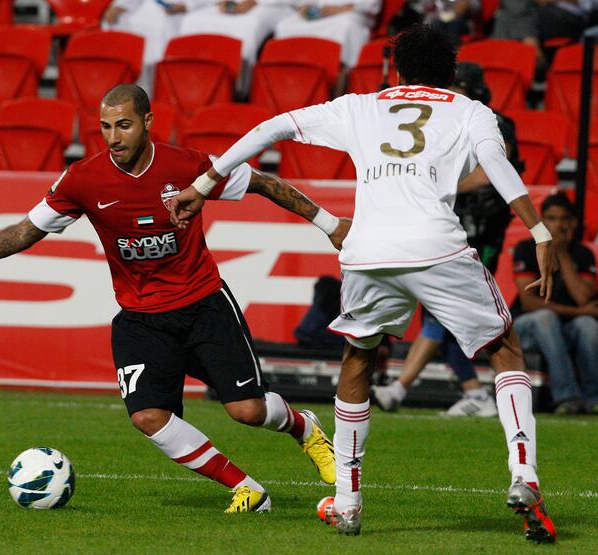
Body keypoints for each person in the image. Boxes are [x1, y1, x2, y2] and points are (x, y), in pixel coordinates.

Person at [171, 24, 557, 542]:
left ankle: (349, 502)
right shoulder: (470, 111)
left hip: (368, 251)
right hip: (435, 244)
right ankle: (524, 475)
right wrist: (539, 229)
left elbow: (271, 129)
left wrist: (202, 183)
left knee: (359, 358)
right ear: (452, 72)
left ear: (397, 69)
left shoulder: (359, 106)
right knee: (505, 349)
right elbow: (496, 163)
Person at [0, 84, 339, 513]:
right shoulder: (83, 179)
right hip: (140, 316)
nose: (113, 137)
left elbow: (264, 184)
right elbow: (27, 230)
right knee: (148, 417)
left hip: (203, 305)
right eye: (104, 127)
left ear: (148, 123)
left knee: (247, 411)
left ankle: (305, 429)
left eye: (123, 125)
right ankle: (246, 488)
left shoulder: (190, 166)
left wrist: (329, 223)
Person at [372, 62, 521, 418]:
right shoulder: (439, 120)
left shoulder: (492, 120)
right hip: (444, 223)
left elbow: (493, 171)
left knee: (447, 309)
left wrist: (438, 186)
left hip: (482, 228)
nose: (451, 96)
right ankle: (474, 392)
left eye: (458, 90)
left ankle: (400, 387)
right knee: (441, 309)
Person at [512, 193, 598, 415]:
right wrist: (579, 311)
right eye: (551, 219)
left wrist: (561, 253)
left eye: (564, 219)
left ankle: (594, 399)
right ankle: (567, 397)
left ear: (572, 222)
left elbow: (583, 297)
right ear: (542, 221)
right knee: (546, 318)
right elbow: (529, 302)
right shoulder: (526, 248)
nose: (558, 225)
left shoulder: (582, 254)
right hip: (527, 327)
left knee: (588, 326)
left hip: (565, 328)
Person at [102, 0, 191, 94]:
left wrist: (185, 6)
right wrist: (120, 6)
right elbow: (113, 14)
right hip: (139, 28)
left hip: (171, 25)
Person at [273, 0, 381, 66]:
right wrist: (305, 6)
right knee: (285, 25)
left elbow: (371, 5)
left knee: (347, 26)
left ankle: (341, 76)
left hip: (353, 13)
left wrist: (338, 9)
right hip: (321, 12)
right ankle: (295, 69)